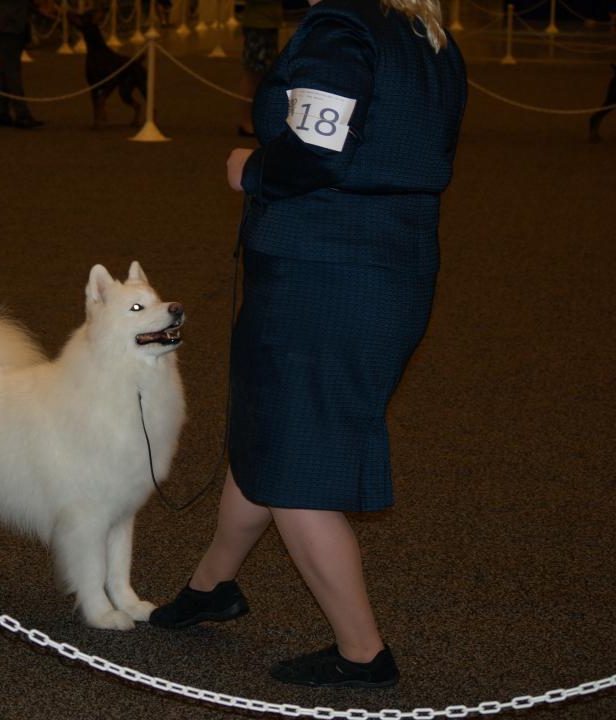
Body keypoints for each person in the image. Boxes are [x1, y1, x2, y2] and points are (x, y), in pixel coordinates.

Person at [149, 0, 467, 689]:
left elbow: (316, 151)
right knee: (278, 431)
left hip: (323, 275)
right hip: (395, 265)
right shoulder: (430, 37)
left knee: (296, 468)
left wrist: (250, 169)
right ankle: (213, 586)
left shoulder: (341, 29)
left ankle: (362, 652)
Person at [0, 0, 44, 128]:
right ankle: (22, 114)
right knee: (12, 71)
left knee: (5, 69)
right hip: (9, 24)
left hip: (8, 23)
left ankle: (0, 112)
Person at [237, 0, 283, 137]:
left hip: (268, 22)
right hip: (258, 24)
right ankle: (246, 122)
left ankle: (255, 119)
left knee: (262, 75)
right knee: (252, 73)